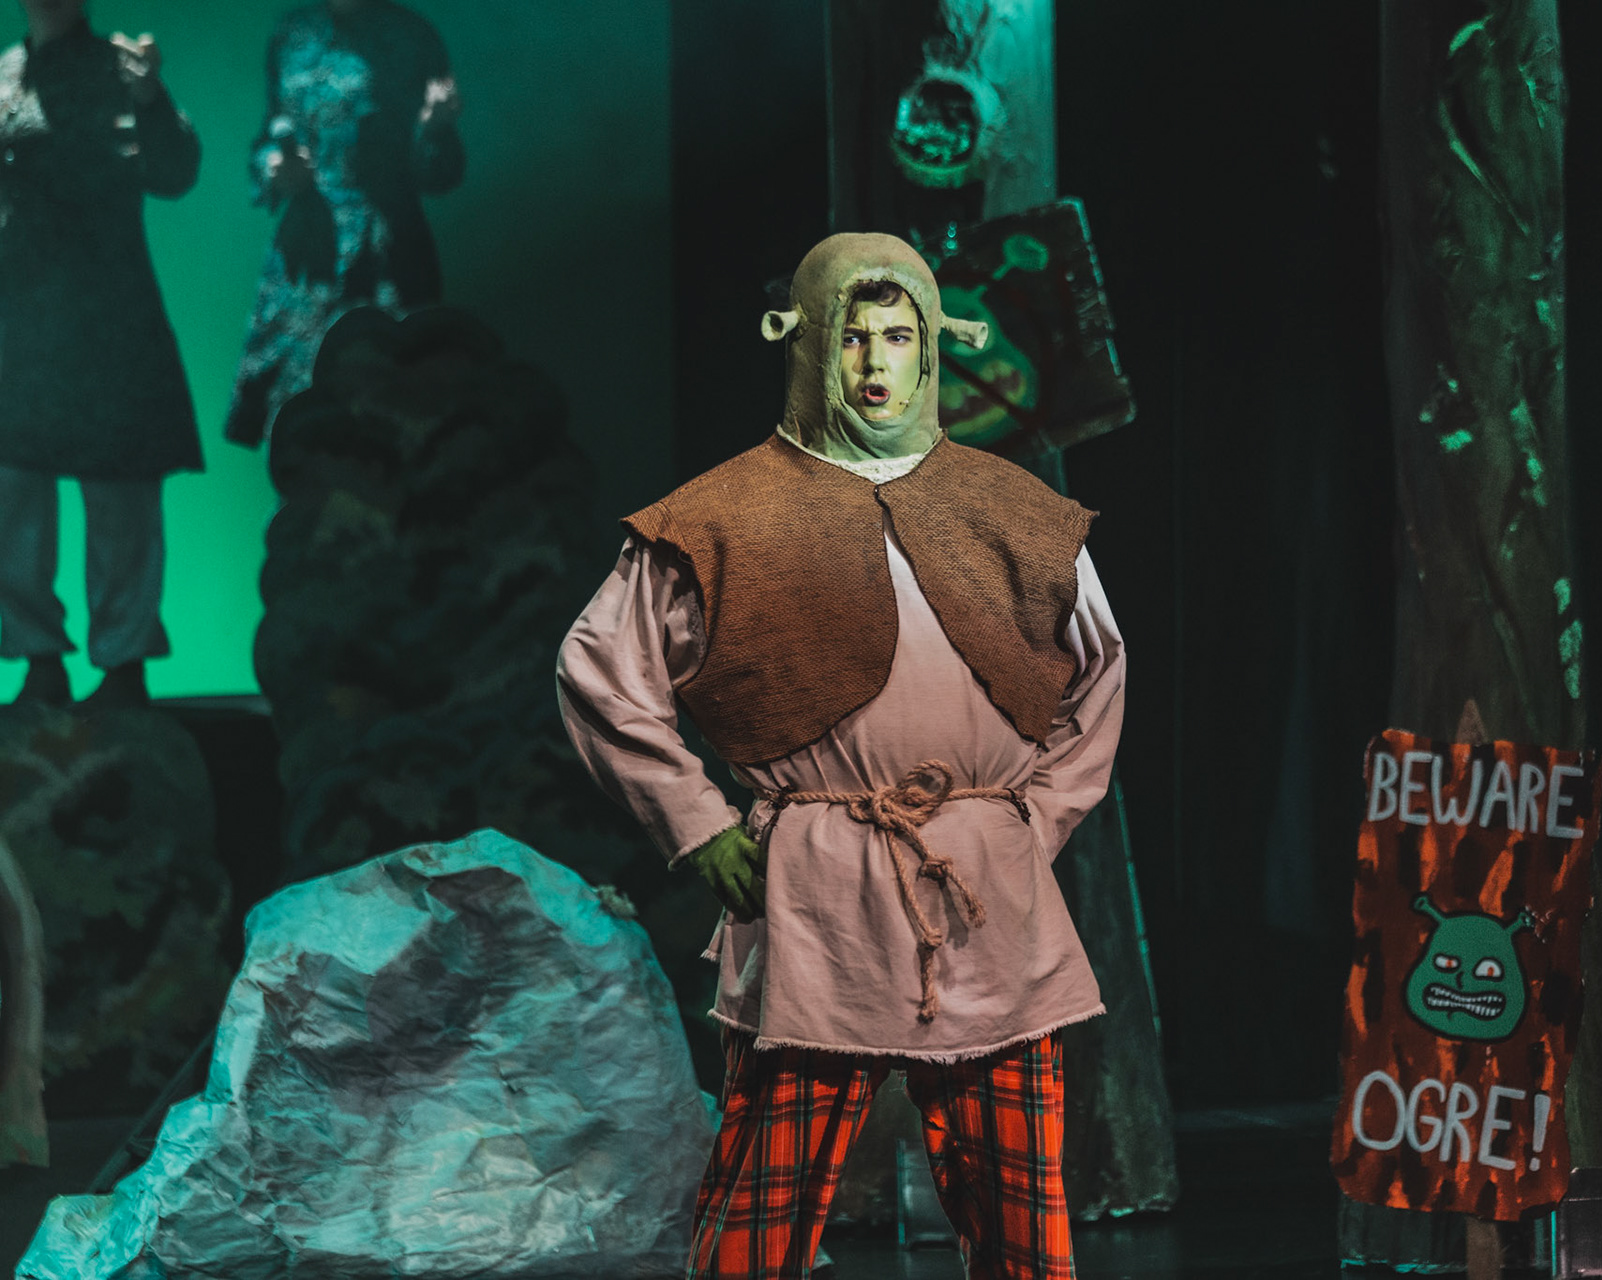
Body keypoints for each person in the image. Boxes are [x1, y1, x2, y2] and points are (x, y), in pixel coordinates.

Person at [557, 232, 1124, 1279]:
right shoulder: (721, 517)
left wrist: (1034, 820)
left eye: (898, 336)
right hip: (814, 887)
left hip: (983, 889)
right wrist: (699, 825)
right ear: (807, 343)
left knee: (1021, 1214)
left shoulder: (1018, 516)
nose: (874, 361)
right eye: (850, 336)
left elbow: (1099, 671)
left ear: (932, 349)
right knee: (763, 1207)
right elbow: (601, 672)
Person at [0, 0, 200, 708]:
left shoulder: (121, 69)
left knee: (121, 497)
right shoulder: (3, 76)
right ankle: (39, 663)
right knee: (13, 494)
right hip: (21, 323)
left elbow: (175, 173)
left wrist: (151, 98)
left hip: (110, 314)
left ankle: (124, 666)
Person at [224, 0, 463, 448]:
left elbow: (441, 172)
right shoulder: (293, 33)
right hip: (307, 259)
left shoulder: (411, 35)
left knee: (393, 423)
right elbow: (269, 134)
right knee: (302, 426)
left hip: (387, 255)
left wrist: (435, 130)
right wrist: (273, 169)